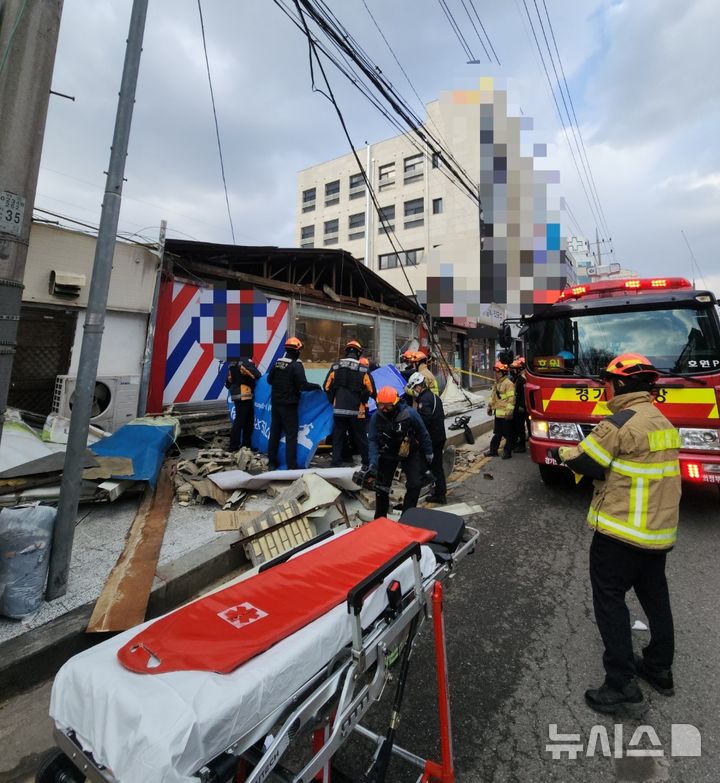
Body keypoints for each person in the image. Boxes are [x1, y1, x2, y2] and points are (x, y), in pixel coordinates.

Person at [549, 353, 682, 716]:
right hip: (657, 534)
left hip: (620, 533)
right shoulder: (662, 421)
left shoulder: (619, 423)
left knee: (609, 600)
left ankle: (621, 684)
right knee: (656, 599)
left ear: (620, 385)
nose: (604, 387)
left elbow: (585, 460)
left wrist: (561, 452)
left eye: (607, 381)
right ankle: (659, 668)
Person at [368, 386, 434, 519]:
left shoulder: (410, 414)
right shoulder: (376, 417)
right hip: (387, 454)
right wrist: (373, 462)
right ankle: (380, 519)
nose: (383, 409)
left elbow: (423, 433)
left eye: (387, 406)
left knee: (415, 484)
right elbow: (373, 440)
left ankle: (407, 517)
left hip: (409, 452)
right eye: (381, 405)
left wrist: (428, 452)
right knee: (381, 488)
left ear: (396, 403)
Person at [266, 336, 321, 470]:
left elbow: (269, 380)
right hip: (289, 406)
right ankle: (291, 465)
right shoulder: (296, 366)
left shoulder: (278, 363)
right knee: (291, 435)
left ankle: (272, 462)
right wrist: (316, 386)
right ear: (296, 351)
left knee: (274, 432)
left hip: (276, 404)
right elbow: (302, 385)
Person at [323, 339, 376, 468]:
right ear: (358, 353)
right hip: (357, 412)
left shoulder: (336, 367)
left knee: (338, 436)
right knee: (361, 437)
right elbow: (371, 390)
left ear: (347, 352)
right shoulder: (363, 369)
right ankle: (367, 462)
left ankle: (336, 462)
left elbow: (326, 386)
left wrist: (333, 399)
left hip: (339, 410)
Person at [406, 371, 447, 504]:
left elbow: (424, 421)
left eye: (414, 388)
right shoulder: (434, 397)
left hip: (432, 439)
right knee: (437, 465)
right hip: (440, 436)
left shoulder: (424, 400)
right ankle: (438, 490)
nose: (414, 392)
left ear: (418, 386)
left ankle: (436, 490)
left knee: (426, 463)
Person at [225, 355, 261, 451]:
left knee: (247, 421)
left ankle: (246, 445)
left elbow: (228, 381)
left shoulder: (232, 363)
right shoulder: (245, 361)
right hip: (244, 393)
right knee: (241, 421)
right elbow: (257, 374)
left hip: (238, 393)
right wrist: (253, 367)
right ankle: (234, 447)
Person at [484, 361, 516, 459]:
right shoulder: (497, 384)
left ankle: (507, 452)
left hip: (505, 414)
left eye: (497, 372)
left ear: (503, 373)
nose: (495, 374)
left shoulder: (508, 384)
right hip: (498, 413)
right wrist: (489, 407)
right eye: (495, 372)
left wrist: (509, 412)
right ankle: (493, 451)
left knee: (508, 434)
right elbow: (493, 397)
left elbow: (511, 399)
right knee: (497, 433)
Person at [510, 356, 529, 453]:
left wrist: (521, 406)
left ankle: (522, 446)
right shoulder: (515, 379)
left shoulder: (522, 380)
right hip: (515, 406)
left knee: (520, 427)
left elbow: (523, 395)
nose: (512, 371)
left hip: (520, 407)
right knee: (515, 426)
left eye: (514, 369)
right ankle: (516, 442)